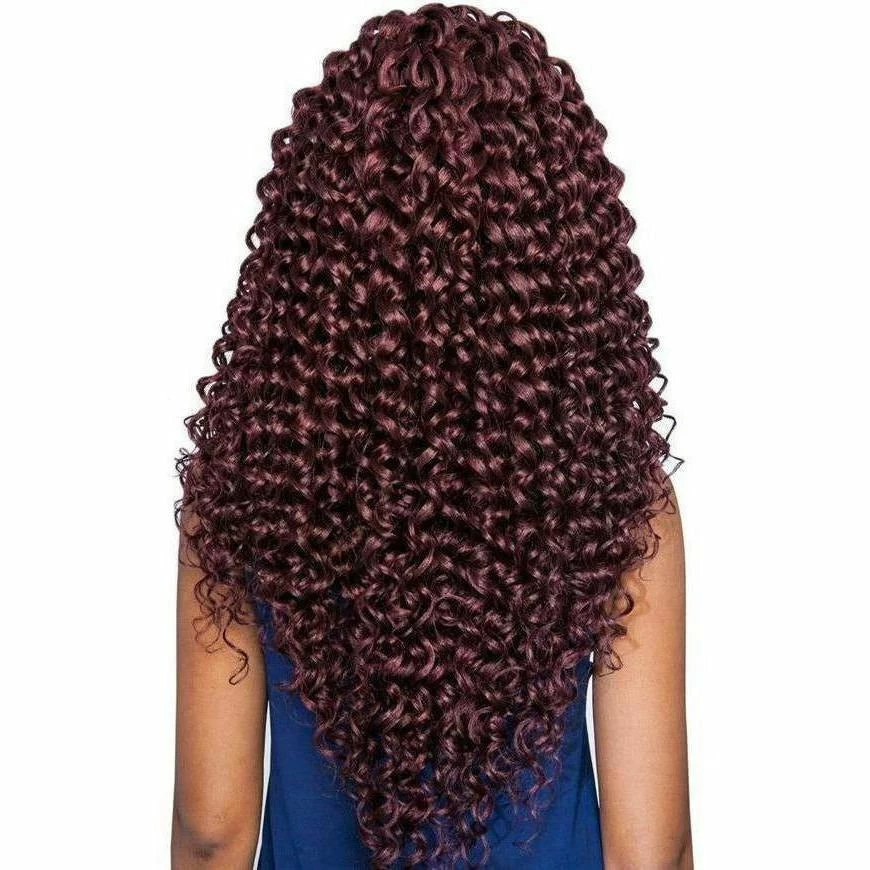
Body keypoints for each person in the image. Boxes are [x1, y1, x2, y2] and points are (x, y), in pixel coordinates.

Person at [171, 4, 691, 868]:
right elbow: (652, 849)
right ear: (553, 244)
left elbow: (212, 828)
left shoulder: (249, 484)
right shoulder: (613, 494)